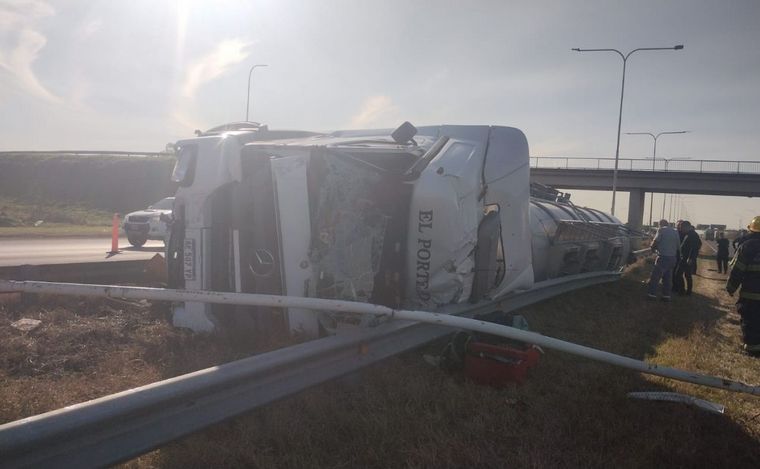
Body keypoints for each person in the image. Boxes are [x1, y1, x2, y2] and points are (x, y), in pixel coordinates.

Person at [726, 216, 760, 357]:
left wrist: (731, 287)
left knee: (750, 321)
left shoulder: (747, 247)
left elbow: (738, 270)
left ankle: (753, 350)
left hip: (751, 295)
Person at [647, 219, 681, 301]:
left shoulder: (661, 230)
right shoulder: (675, 231)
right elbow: (678, 246)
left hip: (663, 257)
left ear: (661, 224)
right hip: (672, 258)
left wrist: (652, 248)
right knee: (668, 278)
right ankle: (666, 296)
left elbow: (655, 241)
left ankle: (652, 294)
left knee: (655, 277)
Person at [678, 220, 702, 295]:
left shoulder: (693, 235)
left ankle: (685, 291)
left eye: (682, 227)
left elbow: (695, 248)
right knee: (686, 275)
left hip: (687, 258)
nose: (681, 229)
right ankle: (686, 291)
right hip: (685, 257)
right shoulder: (688, 234)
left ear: (686, 227)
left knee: (680, 274)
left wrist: (691, 258)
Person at [672, 220, 685, 294]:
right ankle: (675, 287)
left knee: (678, 273)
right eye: (678, 225)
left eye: (680, 225)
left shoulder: (684, 234)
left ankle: (679, 288)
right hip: (674, 254)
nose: (679, 226)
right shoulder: (675, 233)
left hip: (680, 256)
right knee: (674, 272)